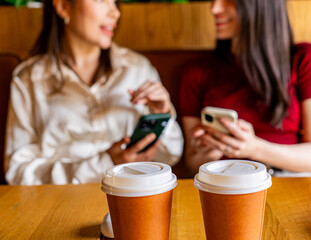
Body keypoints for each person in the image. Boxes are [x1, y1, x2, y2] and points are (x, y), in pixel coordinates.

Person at [5, 0, 183, 185]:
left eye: (114, 1)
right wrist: (106, 164)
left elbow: (172, 155)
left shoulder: (138, 68)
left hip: (130, 202)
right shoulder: (28, 80)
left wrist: (161, 116)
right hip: (61, 207)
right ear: (63, 6)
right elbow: (18, 173)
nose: (115, 12)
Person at [180, 0, 311, 176]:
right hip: (226, 183)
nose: (214, 9)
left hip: (289, 179)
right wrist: (212, 151)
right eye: (213, 0)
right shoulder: (196, 72)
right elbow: (192, 165)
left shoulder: (304, 58)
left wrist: (254, 149)